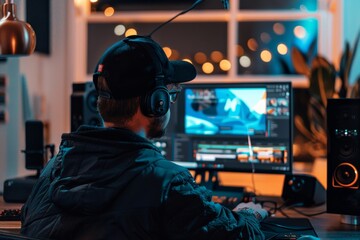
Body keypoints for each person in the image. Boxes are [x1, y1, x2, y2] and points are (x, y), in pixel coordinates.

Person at [21, 35, 268, 240]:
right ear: (156, 104)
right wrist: (250, 214)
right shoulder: (168, 183)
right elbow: (239, 235)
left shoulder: (54, 168)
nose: (170, 103)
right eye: (170, 96)